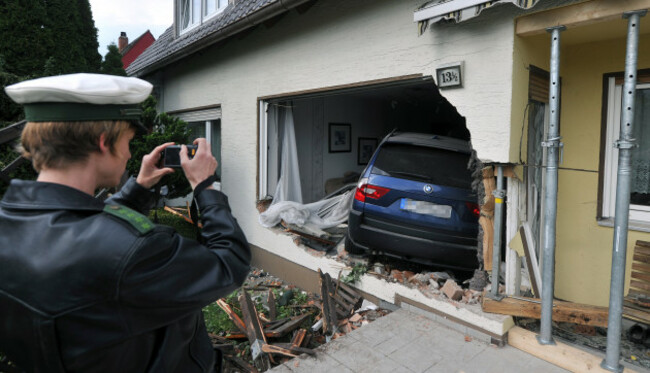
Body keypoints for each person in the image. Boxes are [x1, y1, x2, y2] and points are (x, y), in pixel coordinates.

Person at [0, 73, 251, 372]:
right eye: (129, 141)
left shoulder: (12, 221)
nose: (131, 153)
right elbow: (229, 263)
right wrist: (205, 186)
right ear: (105, 142)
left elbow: (82, 227)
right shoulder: (137, 251)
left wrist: (138, 188)